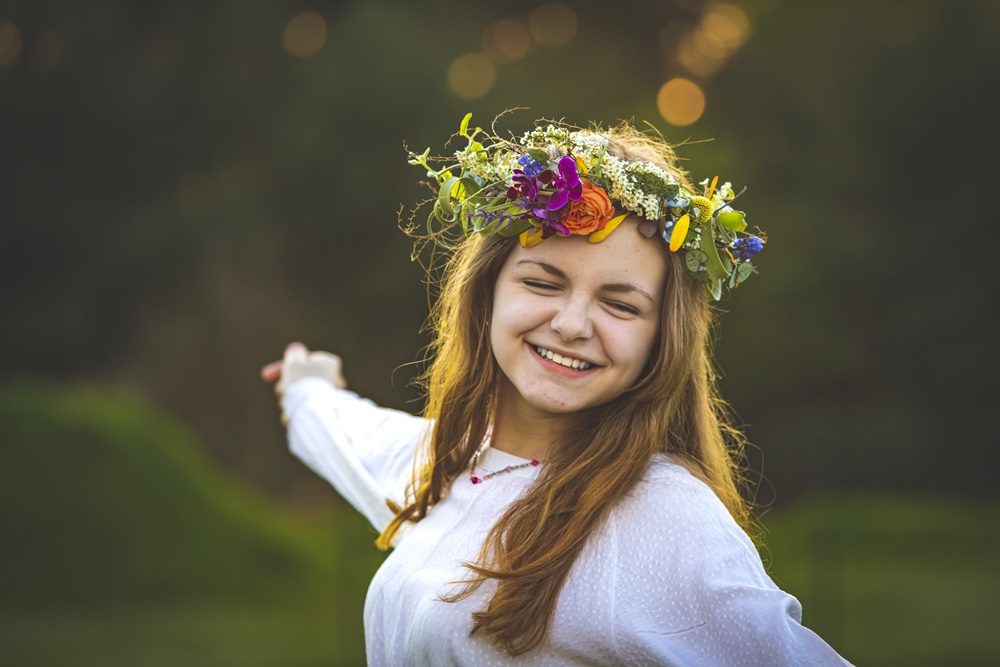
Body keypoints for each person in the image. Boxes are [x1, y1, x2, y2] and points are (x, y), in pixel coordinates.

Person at [261, 115, 852, 666]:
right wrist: (308, 385)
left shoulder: (662, 516)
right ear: (487, 293)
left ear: (661, 339)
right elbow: (345, 435)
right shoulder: (450, 465)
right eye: (544, 282)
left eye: (620, 305)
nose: (571, 325)